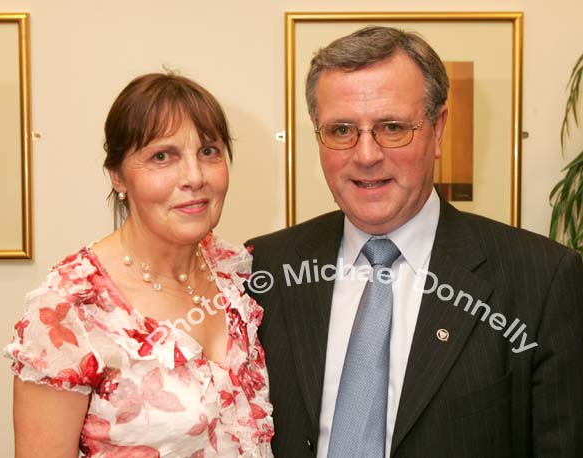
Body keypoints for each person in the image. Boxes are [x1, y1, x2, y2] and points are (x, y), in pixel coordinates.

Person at [247, 26, 583, 458]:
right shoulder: (262, 268)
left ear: (438, 130)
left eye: (392, 127)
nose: (366, 155)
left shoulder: (542, 280)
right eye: (341, 130)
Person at [4, 73, 274, 458]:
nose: (194, 177)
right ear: (117, 175)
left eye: (209, 152)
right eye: (162, 156)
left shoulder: (240, 274)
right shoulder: (71, 309)